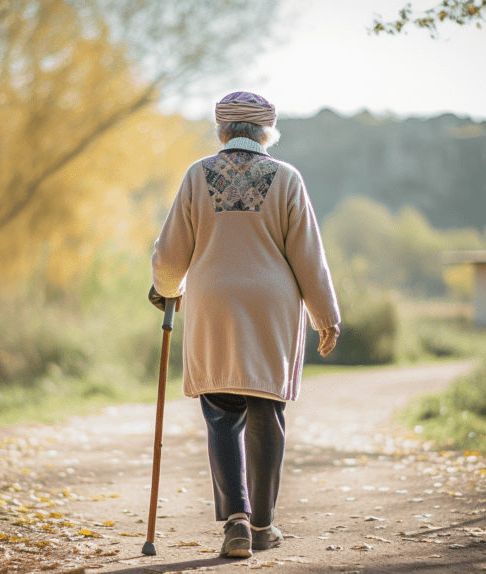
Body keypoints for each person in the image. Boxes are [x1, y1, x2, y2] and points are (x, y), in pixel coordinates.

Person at [149, 92, 341, 559]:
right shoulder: (287, 177)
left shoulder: (198, 175)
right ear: (266, 133)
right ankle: (263, 524)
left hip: (214, 303)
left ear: (221, 131)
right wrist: (326, 317)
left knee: (220, 409)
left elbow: (172, 252)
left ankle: (235, 520)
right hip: (270, 307)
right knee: (265, 410)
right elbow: (308, 258)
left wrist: (166, 287)